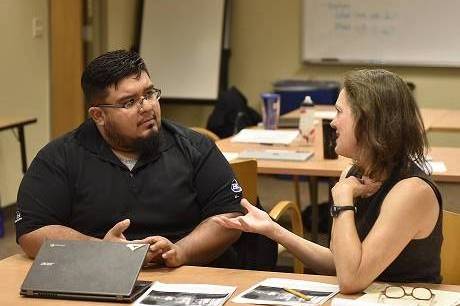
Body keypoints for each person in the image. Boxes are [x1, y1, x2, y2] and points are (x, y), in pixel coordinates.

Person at [215, 69, 442, 293]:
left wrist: (342, 197)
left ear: (368, 120)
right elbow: (339, 263)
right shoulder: (353, 175)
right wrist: (273, 230)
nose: (332, 123)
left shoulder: (411, 191)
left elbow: (351, 280)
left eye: (339, 112)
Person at [15, 50, 244, 267]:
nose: (146, 107)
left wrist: (180, 251)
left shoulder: (194, 147)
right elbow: (32, 230)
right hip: (96, 274)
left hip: (185, 273)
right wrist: (101, 250)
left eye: (149, 94)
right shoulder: (60, 157)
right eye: (129, 102)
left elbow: (229, 215)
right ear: (99, 116)